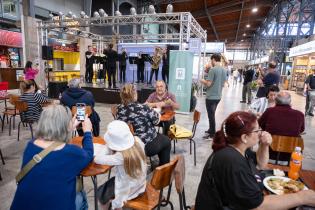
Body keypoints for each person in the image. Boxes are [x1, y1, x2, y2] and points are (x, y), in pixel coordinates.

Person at [195, 111, 315, 210]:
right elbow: (258, 206)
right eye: (257, 131)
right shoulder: (232, 160)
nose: (261, 133)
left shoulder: (238, 148)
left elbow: (261, 164)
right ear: (244, 137)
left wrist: (264, 145)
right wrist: (301, 197)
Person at [10, 105, 93, 210]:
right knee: (80, 194)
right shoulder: (71, 153)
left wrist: (68, 127)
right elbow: (89, 154)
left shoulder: (30, 146)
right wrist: (87, 132)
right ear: (65, 126)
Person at [94, 120, 146, 210]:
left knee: (100, 193)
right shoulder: (138, 141)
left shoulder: (120, 156)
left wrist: (109, 145)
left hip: (127, 190)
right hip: (140, 184)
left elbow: (97, 159)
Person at [116, 84, 171, 166]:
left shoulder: (119, 109)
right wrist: (157, 113)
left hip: (127, 144)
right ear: (134, 94)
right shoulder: (143, 108)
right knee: (166, 141)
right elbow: (156, 121)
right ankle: (163, 170)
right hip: (145, 145)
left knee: (161, 139)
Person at [258, 91, 305, 164]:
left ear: (276, 101)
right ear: (290, 102)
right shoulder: (300, 115)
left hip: (267, 156)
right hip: (290, 159)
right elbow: (301, 130)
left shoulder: (269, 111)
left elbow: (260, 124)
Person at [200, 54, 227, 139]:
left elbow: (208, 83)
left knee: (211, 115)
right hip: (218, 96)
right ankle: (211, 129)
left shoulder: (213, 70)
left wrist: (202, 80)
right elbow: (223, 83)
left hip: (211, 97)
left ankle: (212, 134)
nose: (210, 62)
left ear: (214, 60)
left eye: (211, 60)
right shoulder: (224, 70)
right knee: (212, 114)